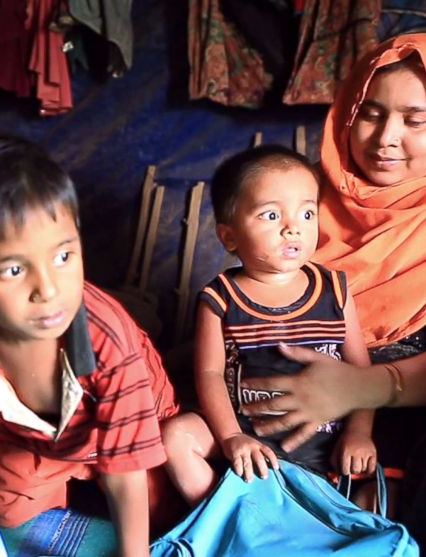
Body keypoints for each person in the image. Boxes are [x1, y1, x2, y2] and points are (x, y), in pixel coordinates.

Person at [238, 34, 426, 553]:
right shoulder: (303, 196)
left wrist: (365, 388)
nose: (386, 138)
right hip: (310, 390)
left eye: (416, 120)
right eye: (370, 113)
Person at [0, 135, 178, 556]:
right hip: (37, 445)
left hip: (133, 435)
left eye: (63, 257)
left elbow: (125, 472)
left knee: (157, 523)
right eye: (12, 269)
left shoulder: (107, 338)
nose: (47, 289)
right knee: (3, 522)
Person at [160, 145, 375, 508]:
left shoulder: (335, 290)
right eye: (271, 215)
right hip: (247, 437)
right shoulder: (220, 298)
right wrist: (230, 438)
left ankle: (312, 519)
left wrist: (358, 432)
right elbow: (210, 374)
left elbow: (361, 371)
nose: (293, 228)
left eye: (307, 213)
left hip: (322, 441)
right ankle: (231, 515)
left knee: (386, 490)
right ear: (229, 237)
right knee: (174, 437)